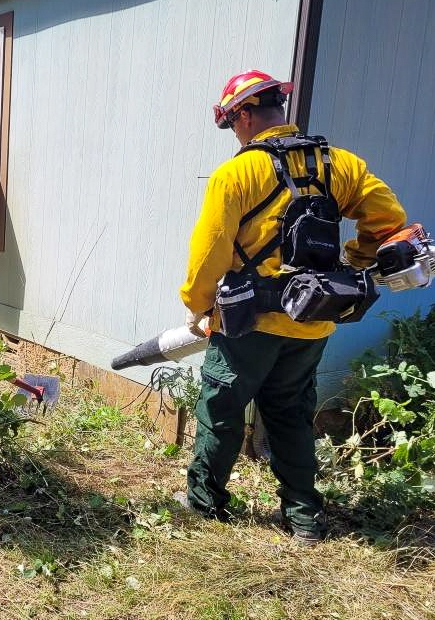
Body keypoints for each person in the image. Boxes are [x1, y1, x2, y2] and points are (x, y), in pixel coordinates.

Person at [174, 70, 407, 543]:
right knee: (290, 414)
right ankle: (303, 518)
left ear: (243, 114)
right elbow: (389, 219)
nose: (234, 133)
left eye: (231, 123)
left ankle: (204, 502)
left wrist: (196, 304)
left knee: (221, 410)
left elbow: (211, 251)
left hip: (246, 323)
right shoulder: (339, 165)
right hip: (313, 321)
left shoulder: (236, 173)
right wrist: (356, 261)